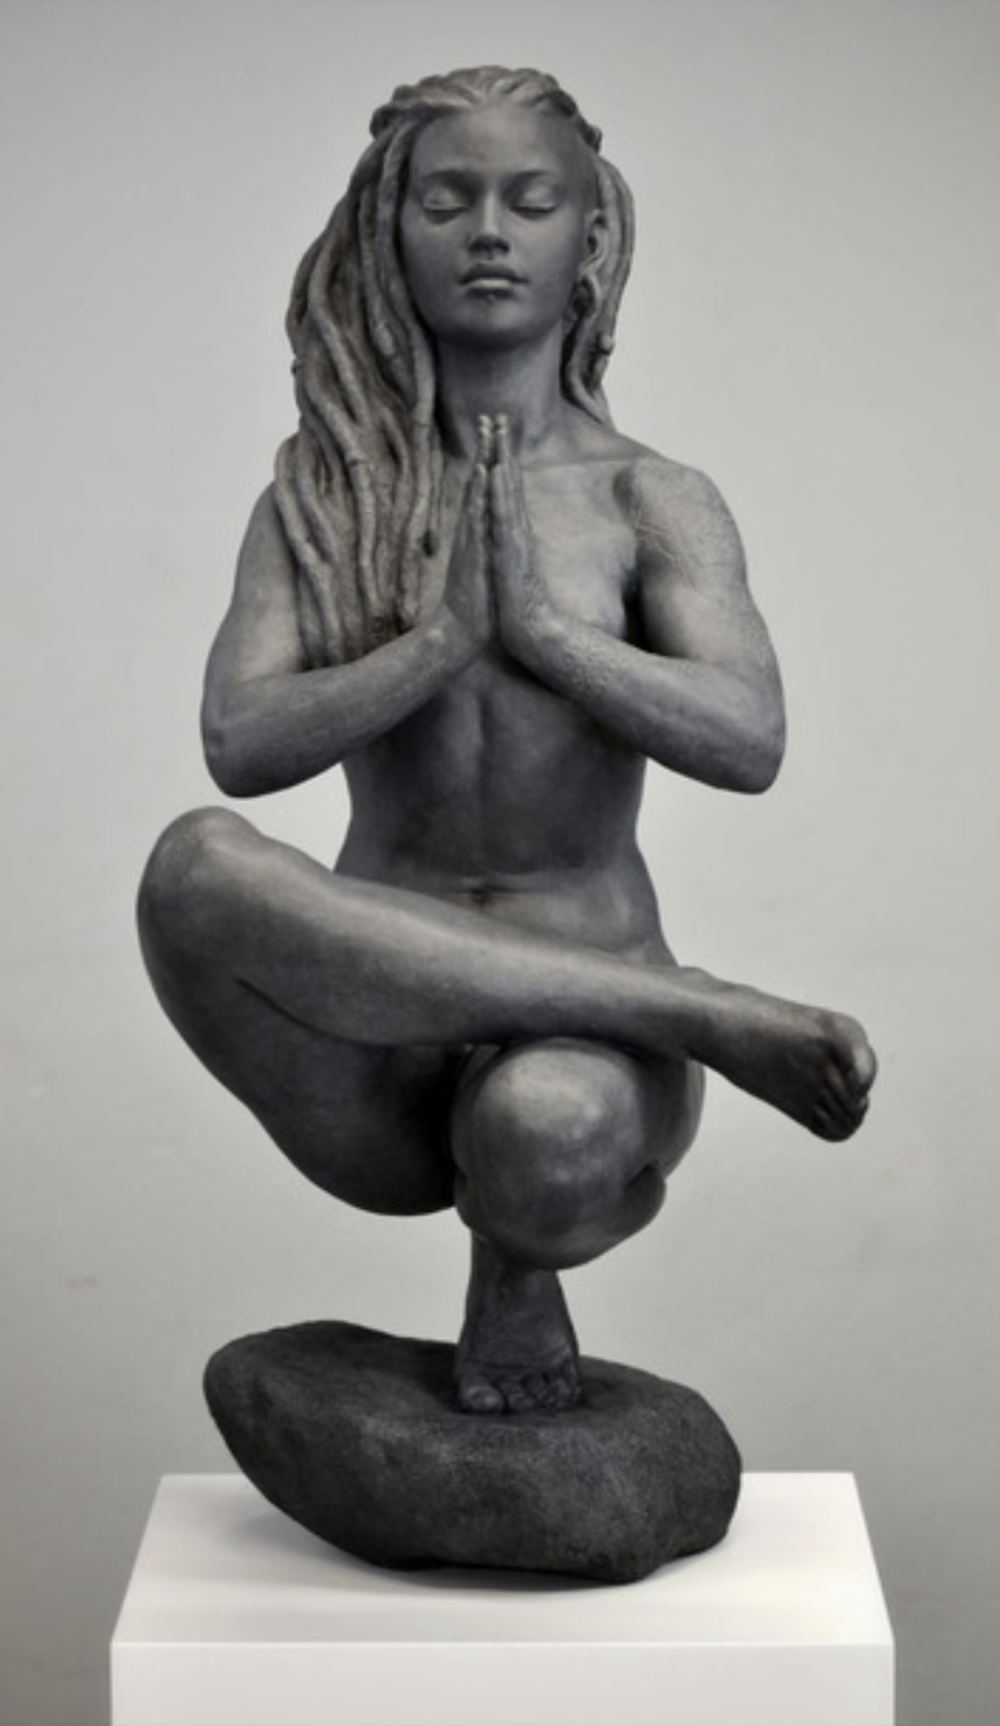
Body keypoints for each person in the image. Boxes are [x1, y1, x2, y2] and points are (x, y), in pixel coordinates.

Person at [138, 66, 876, 1417]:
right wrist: (436, 642)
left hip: (587, 1057)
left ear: (588, 238)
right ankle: (706, 1014)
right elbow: (237, 742)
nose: (489, 231)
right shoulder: (326, 496)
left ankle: (521, 1265)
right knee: (192, 866)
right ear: (389, 233)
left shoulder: (650, 496)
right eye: (448, 200)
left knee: (542, 1126)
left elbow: (750, 734)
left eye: (530, 201)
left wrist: (543, 634)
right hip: (376, 1040)